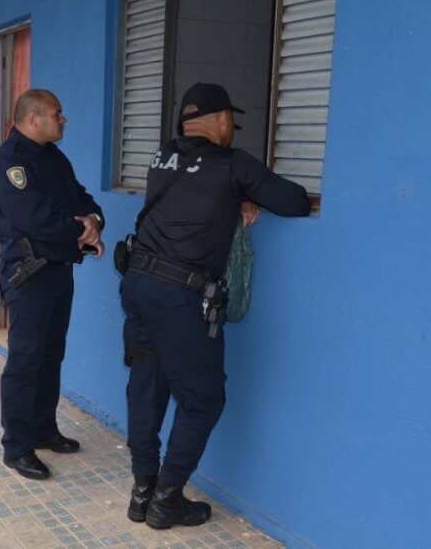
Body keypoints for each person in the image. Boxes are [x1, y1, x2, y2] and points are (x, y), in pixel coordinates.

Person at [120, 82, 311, 529]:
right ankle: (166, 501)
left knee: (148, 383)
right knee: (204, 399)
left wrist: (234, 197)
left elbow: (192, 196)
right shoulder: (233, 165)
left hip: (138, 285)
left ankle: (142, 490)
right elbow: (296, 202)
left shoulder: (161, 158)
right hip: (178, 299)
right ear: (224, 119)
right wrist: (246, 192)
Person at [0, 89, 105, 480]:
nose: (63, 119)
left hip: (58, 269)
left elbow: (81, 197)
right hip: (30, 273)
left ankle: (42, 429)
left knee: (51, 354)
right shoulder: (9, 162)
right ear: (33, 118)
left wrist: (94, 221)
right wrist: (81, 231)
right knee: (25, 360)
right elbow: (35, 217)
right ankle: (16, 446)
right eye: (58, 113)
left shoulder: (54, 157)